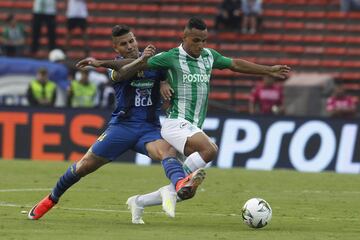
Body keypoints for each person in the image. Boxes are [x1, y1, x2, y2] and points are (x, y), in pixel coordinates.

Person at [100, 17, 290, 220]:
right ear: (184, 37)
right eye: (196, 40)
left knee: (185, 192)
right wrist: (100, 63)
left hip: (192, 125)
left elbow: (235, 64)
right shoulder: (171, 57)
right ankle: (182, 181)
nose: (201, 45)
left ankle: (139, 202)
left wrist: (268, 69)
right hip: (175, 123)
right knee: (210, 149)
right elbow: (135, 63)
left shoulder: (209, 56)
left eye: (204, 40)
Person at [27, 25, 205, 224]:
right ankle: (51, 199)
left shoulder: (156, 64)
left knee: (168, 151)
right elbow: (122, 75)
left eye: (131, 41)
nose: (129, 46)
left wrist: (163, 81)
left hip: (149, 128)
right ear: (116, 49)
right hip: (121, 128)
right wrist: (142, 60)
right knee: (83, 166)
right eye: (123, 44)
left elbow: (167, 71)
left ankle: (181, 184)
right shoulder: (117, 66)